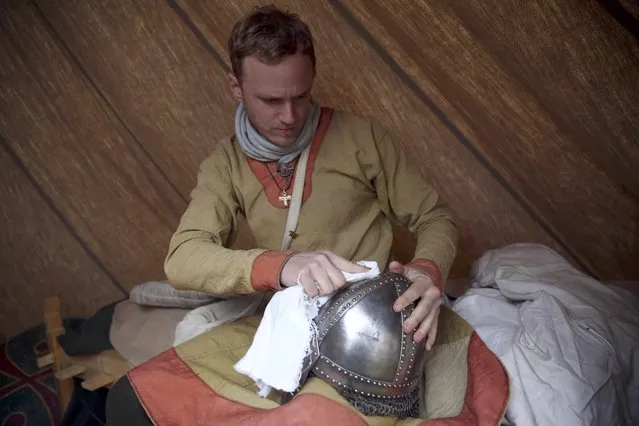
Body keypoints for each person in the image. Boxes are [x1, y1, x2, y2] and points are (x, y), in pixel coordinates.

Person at [105, 6, 507, 426]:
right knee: (133, 400)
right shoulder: (225, 163)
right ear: (235, 87)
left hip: (363, 332)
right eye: (271, 100)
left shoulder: (361, 138)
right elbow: (183, 258)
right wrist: (284, 266)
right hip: (284, 322)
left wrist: (427, 272)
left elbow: (435, 217)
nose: (290, 116)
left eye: (300, 95)